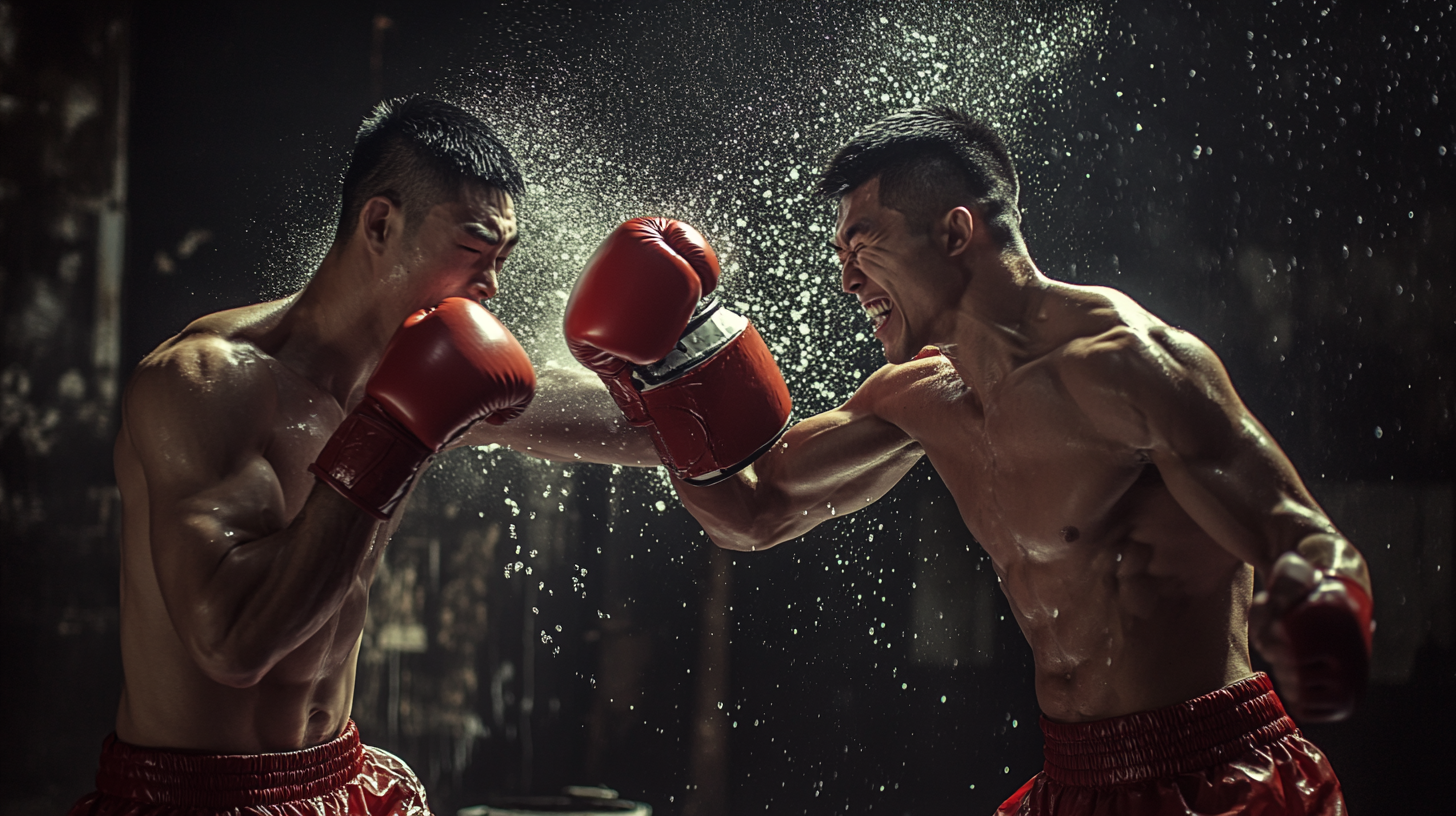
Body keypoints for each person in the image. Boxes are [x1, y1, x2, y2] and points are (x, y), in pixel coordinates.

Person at [572, 107, 1374, 814]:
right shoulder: (919, 396)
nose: (847, 277)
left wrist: (1328, 603)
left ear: (955, 232)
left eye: (863, 244)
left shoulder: (1126, 364)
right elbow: (749, 511)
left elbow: (1301, 536)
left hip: (1218, 775)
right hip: (1072, 780)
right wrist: (668, 369)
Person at [68, 97, 659, 816]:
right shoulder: (210, 383)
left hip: (341, 777)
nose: (491, 287)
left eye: (502, 260)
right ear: (380, 224)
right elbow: (230, 644)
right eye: (474, 250)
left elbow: (643, 429)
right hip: (197, 799)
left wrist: (699, 372)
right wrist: (393, 434)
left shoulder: (420, 374)